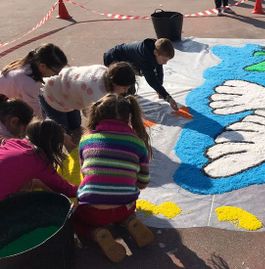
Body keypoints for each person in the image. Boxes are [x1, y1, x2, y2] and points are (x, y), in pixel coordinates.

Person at [73, 94, 154, 263]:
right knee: (126, 200)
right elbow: (143, 182)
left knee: (76, 221)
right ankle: (129, 221)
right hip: (124, 205)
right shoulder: (138, 143)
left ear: (96, 114)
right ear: (129, 117)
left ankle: (97, 234)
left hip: (92, 210)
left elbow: (84, 172)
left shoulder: (86, 139)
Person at [39, 62, 137, 150]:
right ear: (114, 83)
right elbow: (90, 115)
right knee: (62, 129)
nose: (126, 91)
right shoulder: (95, 93)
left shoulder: (103, 71)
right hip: (52, 94)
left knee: (75, 124)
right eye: (124, 88)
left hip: (69, 92)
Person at [0, 119, 77, 201]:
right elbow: (68, 190)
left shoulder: (13, 142)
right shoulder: (38, 160)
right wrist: (89, 189)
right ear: (52, 145)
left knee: (33, 183)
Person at [103, 38, 178, 111]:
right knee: (123, 92)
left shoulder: (156, 49)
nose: (165, 63)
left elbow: (159, 69)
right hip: (113, 59)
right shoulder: (145, 57)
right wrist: (168, 97)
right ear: (155, 53)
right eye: (164, 60)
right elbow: (152, 80)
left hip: (126, 61)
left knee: (130, 92)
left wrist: (160, 89)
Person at [0, 43, 68, 117]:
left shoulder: (29, 64)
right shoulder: (29, 82)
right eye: (56, 71)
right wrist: (43, 124)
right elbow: (35, 112)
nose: (57, 74)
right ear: (42, 66)